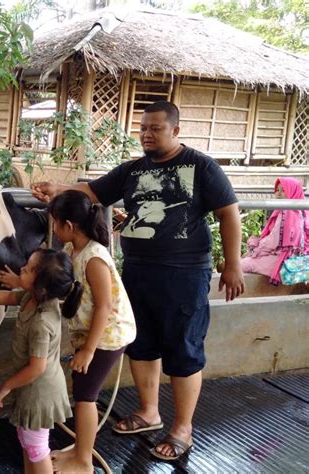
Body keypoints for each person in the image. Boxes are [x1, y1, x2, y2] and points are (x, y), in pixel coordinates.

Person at [30, 101, 245, 462]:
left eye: (156, 128)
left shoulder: (201, 166)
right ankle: (149, 412)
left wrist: (233, 264)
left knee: (184, 348)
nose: (147, 134)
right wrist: (59, 187)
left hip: (185, 273)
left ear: (175, 131)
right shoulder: (132, 170)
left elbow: (229, 213)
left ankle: (182, 428)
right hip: (138, 270)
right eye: (143, 128)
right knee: (140, 343)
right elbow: (93, 192)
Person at [0, 190, 136, 473]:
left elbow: (105, 307)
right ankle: (80, 453)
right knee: (83, 393)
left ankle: (83, 460)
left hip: (107, 336)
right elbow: (52, 283)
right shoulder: (74, 251)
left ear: (68, 227)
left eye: (55, 222)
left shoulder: (94, 258)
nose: (54, 228)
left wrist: (88, 350)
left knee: (85, 397)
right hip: (91, 334)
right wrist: (19, 282)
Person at [0, 249, 83, 474]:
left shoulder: (42, 322)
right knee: (28, 441)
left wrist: (7, 385)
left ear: (41, 288)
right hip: (32, 389)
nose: (22, 268)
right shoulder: (31, 297)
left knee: (36, 447)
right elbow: (8, 296)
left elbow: (37, 367)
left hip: (40, 393)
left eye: (28, 269)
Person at [241, 177, 309, 284]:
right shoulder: (303, 210)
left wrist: (255, 251)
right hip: (298, 259)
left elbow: (272, 242)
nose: (279, 193)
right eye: (277, 190)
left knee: (239, 265)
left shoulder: (287, 214)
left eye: (283, 190)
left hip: (283, 261)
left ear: (292, 191)